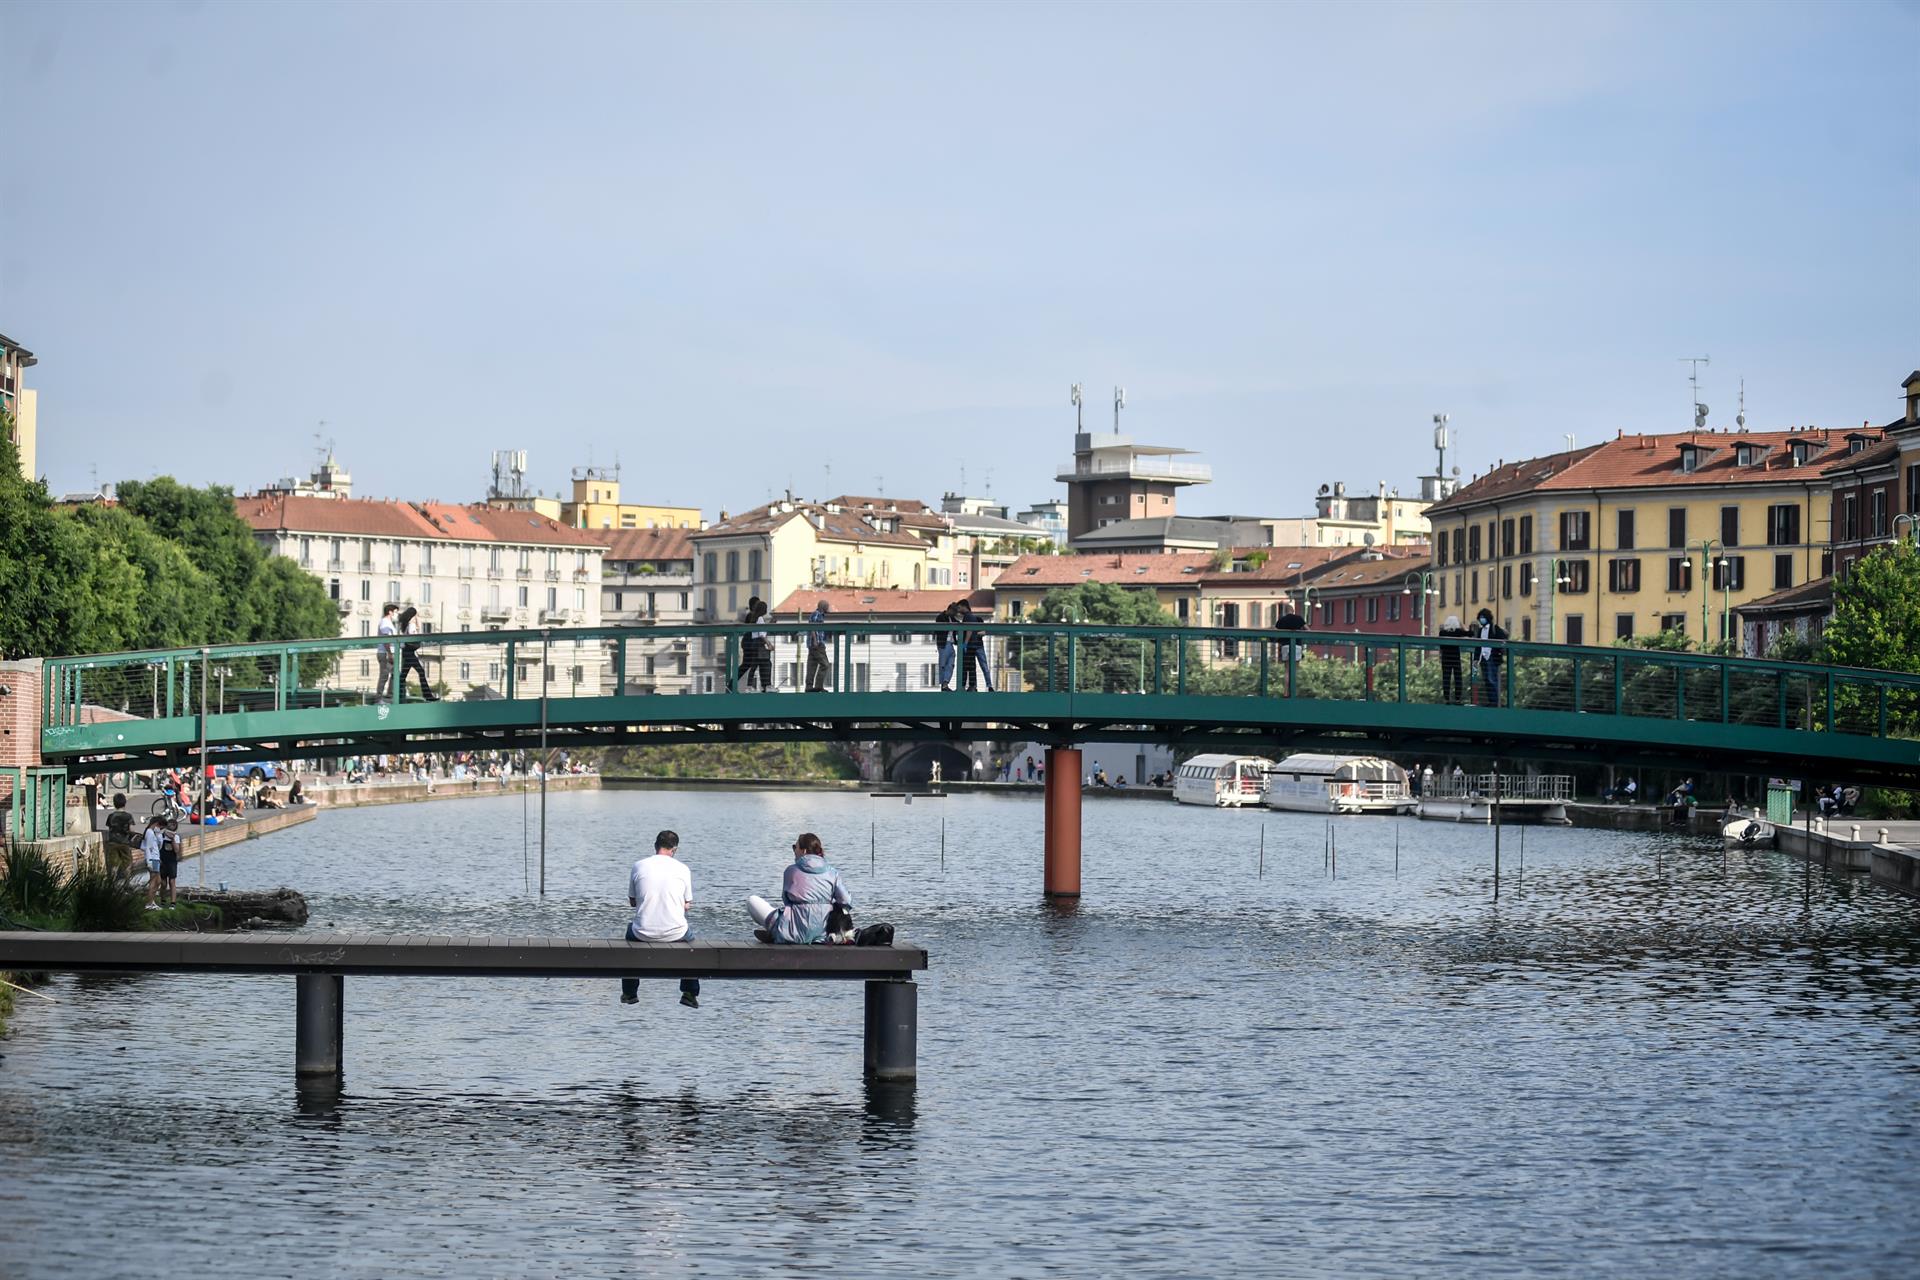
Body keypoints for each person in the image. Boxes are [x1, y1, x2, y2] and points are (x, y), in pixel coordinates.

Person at [621, 830, 700, 1009]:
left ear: (655, 846)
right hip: (676, 933)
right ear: (675, 849)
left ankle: (629, 992)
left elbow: (633, 902)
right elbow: (687, 905)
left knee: (629, 938)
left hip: (642, 933)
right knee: (692, 946)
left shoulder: (638, 865)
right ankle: (689, 992)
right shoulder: (683, 868)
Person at [748, 833, 854, 944]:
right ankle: (781, 933)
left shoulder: (791, 871)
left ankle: (776, 933)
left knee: (752, 900)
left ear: (803, 851)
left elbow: (786, 899)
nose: (794, 850)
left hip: (793, 932)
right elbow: (846, 901)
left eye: (795, 847)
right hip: (823, 933)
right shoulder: (832, 872)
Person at [396, 606, 437, 700]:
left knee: (403, 675)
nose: (417, 617)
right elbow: (413, 636)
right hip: (410, 652)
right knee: (421, 672)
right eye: (416, 616)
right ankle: (428, 695)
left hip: (406, 652)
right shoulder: (411, 625)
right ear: (413, 616)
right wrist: (417, 626)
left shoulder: (406, 624)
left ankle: (397, 694)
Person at [1474, 608, 1507, 706]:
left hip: (1492, 657)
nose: (1481, 620)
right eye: (1480, 618)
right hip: (1483, 658)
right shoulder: (1480, 631)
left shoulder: (1495, 629)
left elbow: (1502, 639)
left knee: (1492, 679)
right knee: (1487, 679)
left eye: (1483, 618)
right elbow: (1478, 646)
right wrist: (1476, 658)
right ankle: (1491, 701)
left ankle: (1495, 701)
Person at [959, 601, 991, 691]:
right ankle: (974, 686)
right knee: (973, 666)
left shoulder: (970, 617)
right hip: (973, 646)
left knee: (968, 666)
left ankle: (972, 686)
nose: (958, 610)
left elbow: (971, 630)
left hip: (973, 646)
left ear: (964, 606)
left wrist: (965, 642)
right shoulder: (970, 617)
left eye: (959, 607)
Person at [1438, 614, 1469, 705]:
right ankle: (1458, 699)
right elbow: (1470, 633)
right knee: (1458, 678)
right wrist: (1462, 625)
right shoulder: (1458, 632)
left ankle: (1446, 699)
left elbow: (1441, 646)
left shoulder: (1442, 633)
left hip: (1445, 658)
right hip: (1455, 658)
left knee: (1446, 678)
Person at [804, 600, 833, 692]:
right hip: (817, 644)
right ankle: (818, 686)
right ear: (824, 607)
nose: (829, 608)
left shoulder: (816, 614)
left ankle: (809, 687)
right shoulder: (817, 614)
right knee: (825, 665)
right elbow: (813, 627)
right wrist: (816, 641)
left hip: (812, 644)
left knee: (812, 665)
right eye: (828, 606)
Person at [140, 815, 167, 907]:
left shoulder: (154, 833)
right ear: (156, 824)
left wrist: (159, 836)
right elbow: (148, 848)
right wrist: (149, 861)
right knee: (153, 881)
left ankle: (152, 901)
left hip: (156, 858)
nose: (160, 829)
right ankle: (149, 903)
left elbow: (158, 846)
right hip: (152, 859)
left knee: (158, 881)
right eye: (160, 827)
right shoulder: (150, 833)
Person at [104, 793, 139, 864]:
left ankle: (113, 875)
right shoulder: (128, 816)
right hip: (124, 842)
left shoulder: (111, 816)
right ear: (125, 803)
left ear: (114, 804)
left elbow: (109, 827)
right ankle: (125, 875)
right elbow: (131, 830)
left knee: (113, 865)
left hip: (113, 842)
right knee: (127, 864)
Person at [933, 605, 958, 692]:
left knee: (950, 665)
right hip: (943, 644)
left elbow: (959, 625)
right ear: (950, 610)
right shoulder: (940, 617)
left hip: (950, 644)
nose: (955, 614)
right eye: (954, 612)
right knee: (943, 665)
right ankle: (943, 685)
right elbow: (941, 629)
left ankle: (945, 683)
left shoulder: (952, 618)